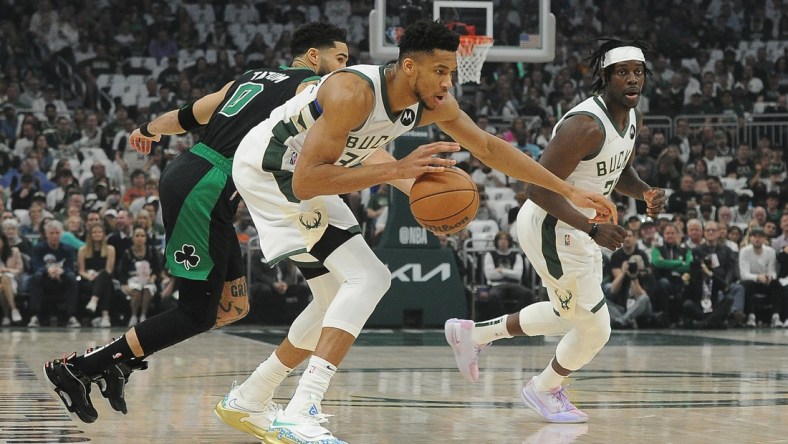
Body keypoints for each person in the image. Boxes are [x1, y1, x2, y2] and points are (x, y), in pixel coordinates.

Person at [225, 21, 615, 443]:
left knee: (332, 300)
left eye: (452, 71)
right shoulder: (353, 93)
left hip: (306, 174)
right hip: (272, 171)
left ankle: (251, 396)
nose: (449, 82)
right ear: (409, 66)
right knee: (369, 277)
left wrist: (566, 186)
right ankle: (302, 411)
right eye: (441, 71)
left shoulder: (431, 102)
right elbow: (306, 182)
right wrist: (396, 170)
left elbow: (488, 147)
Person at [42, 22, 350, 425]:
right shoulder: (308, 88)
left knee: (233, 305)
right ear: (314, 56)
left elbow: (190, 115)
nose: (343, 68)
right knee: (196, 313)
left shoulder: (250, 77)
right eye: (340, 59)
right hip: (206, 185)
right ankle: (81, 367)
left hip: (200, 178)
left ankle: (120, 363)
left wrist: (148, 129)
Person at [445, 38, 666, 424]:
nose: (632, 80)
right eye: (622, 73)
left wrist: (644, 190)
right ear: (605, 76)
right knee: (595, 328)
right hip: (554, 224)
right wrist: (593, 228)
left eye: (638, 72)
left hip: (578, 226)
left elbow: (616, 172)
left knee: (571, 315)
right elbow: (537, 188)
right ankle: (543, 388)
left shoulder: (633, 116)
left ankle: (474, 335)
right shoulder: (584, 125)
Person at [78, 222, 115, 328]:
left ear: (103, 234)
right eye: (94, 232)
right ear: (90, 235)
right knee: (104, 284)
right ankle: (105, 315)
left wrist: (98, 276)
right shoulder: (83, 250)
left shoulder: (110, 249)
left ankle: (94, 301)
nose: (97, 234)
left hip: (103, 277)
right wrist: (89, 276)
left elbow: (109, 270)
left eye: (99, 232)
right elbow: (81, 271)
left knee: (104, 277)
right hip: (88, 279)